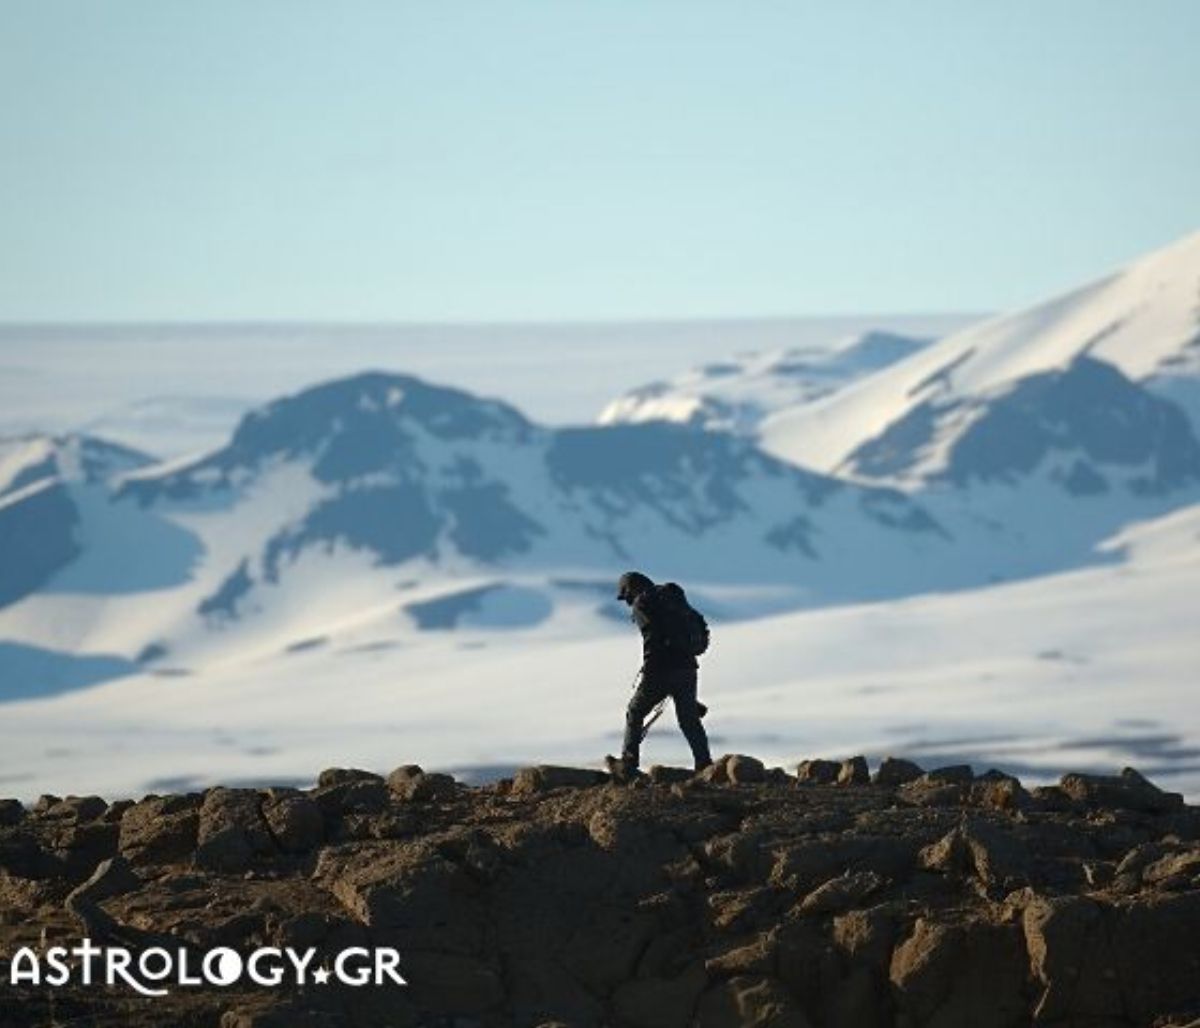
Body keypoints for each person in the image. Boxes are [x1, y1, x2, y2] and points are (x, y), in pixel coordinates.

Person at [608, 570, 712, 779]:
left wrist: (649, 669)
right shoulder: (673, 598)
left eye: (626, 597)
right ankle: (705, 765)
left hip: (660, 668)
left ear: (631, 589)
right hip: (687, 667)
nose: (628, 603)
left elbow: (652, 637)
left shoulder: (642, 603)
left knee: (635, 712)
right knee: (689, 719)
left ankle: (628, 764)